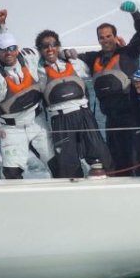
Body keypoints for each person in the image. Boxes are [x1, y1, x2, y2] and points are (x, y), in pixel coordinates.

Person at [77, 0, 140, 176]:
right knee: (116, 159)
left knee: (139, 156)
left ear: (115, 36)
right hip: (111, 119)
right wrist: (64, 54)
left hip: (132, 115)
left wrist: (135, 12)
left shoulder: (129, 53)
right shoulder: (93, 58)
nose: (105, 40)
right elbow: (72, 58)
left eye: (108, 36)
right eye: (101, 37)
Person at [34, 29, 114, 178]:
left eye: (53, 44)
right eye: (45, 46)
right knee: (68, 163)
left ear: (58, 46)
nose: (50, 48)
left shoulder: (74, 63)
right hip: (60, 119)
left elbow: (100, 65)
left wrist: (118, 48)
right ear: (40, 50)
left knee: (100, 155)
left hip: (83, 114)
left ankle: (109, 183)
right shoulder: (37, 70)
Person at [0, 26, 54, 179]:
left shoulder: (29, 55)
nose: (8, 53)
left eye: (12, 48)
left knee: (57, 164)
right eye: (3, 50)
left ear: (17, 49)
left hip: (37, 122)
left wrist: (67, 53)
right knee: (12, 173)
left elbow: (49, 49)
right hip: (12, 129)